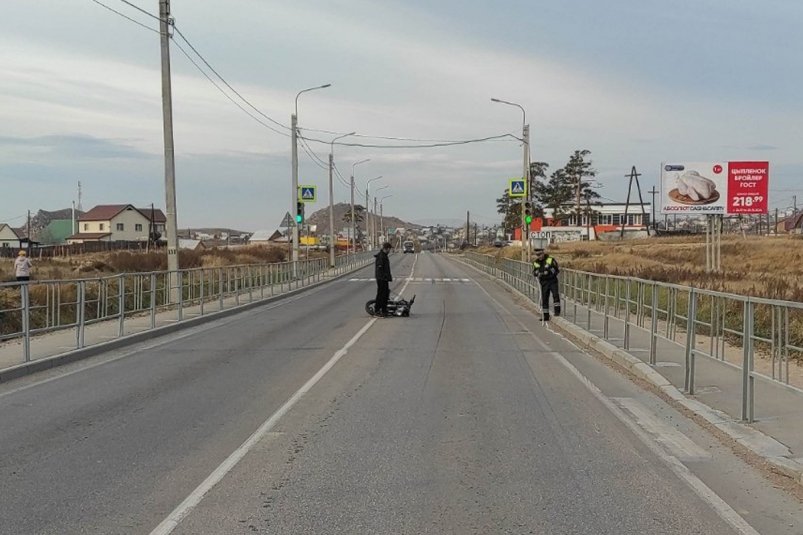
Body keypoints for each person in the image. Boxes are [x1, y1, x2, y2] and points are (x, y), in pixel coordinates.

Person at [532, 248, 560, 321]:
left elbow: (556, 270)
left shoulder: (550, 259)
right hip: (544, 282)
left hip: (552, 280)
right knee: (544, 298)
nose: (539, 256)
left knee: (555, 295)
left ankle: (557, 312)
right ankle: (545, 316)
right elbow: (534, 272)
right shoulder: (536, 262)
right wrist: (539, 273)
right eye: (537, 255)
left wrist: (550, 271)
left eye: (540, 254)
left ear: (543, 253)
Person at [374, 242, 393, 317]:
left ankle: (384, 310)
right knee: (381, 294)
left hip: (383, 278)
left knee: (385, 294)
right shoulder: (381, 256)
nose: (390, 250)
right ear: (387, 248)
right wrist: (384, 276)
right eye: (389, 249)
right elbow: (380, 268)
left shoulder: (384, 255)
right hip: (381, 278)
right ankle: (378, 310)